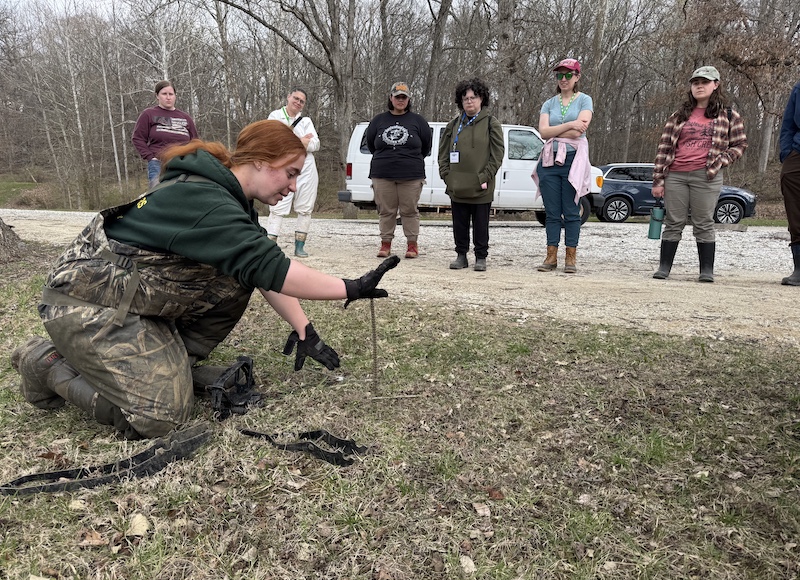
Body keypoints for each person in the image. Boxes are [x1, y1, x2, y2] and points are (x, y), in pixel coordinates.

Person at [10, 120, 399, 440]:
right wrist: (352, 287)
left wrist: (304, 329)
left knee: (234, 280)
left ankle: (167, 366)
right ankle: (47, 364)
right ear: (262, 161)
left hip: (130, 300)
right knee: (162, 418)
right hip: (85, 304)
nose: (293, 186)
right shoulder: (206, 200)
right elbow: (277, 270)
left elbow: (261, 271)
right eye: (291, 173)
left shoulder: (230, 201)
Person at [652, 66, 747, 282]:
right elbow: (664, 148)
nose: (700, 86)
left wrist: (722, 160)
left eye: (705, 82)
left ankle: (706, 271)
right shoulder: (678, 116)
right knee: (673, 221)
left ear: (716, 85)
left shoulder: (729, 115)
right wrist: (658, 180)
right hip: (675, 174)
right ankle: (664, 268)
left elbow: (740, 144)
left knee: (703, 221)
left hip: (707, 175)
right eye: (696, 82)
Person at [533, 58, 593, 274]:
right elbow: (543, 132)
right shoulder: (549, 103)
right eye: (560, 75)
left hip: (572, 161)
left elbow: (580, 131)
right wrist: (569, 124)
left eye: (569, 74)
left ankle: (570, 257)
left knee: (571, 211)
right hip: (549, 161)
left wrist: (556, 129)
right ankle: (550, 256)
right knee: (551, 212)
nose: (564, 79)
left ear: (577, 76)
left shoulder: (585, 100)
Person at [438, 78, 504, 271]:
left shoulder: (492, 124)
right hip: (457, 185)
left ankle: (481, 257)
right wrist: (446, 176)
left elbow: (497, 154)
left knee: (481, 224)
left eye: (473, 97)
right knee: (459, 223)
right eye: (465, 98)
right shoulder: (453, 125)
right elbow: (442, 154)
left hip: (481, 186)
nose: (469, 101)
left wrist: (484, 177)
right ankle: (461, 255)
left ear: (481, 98)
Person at [366, 82, 432, 259]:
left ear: (408, 99)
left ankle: (412, 245)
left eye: (404, 97)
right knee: (386, 210)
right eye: (397, 97)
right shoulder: (378, 120)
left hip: (411, 175)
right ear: (391, 98)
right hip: (382, 174)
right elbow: (372, 145)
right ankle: (385, 243)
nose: (400, 100)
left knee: (409, 210)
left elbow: (426, 146)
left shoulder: (418, 121)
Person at [266, 88, 320, 257]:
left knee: (305, 207)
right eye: (295, 98)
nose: (297, 102)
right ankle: (269, 246)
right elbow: (273, 140)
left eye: (301, 101)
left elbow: (315, 145)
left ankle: (299, 246)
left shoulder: (306, 121)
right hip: (283, 166)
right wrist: (301, 141)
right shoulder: (275, 116)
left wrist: (297, 142)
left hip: (307, 166)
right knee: (278, 206)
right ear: (288, 97)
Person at [132, 80, 198, 189]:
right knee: (158, 194)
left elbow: (195, 142)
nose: (168, 97)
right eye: (164, 94)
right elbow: (137, 138)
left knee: (183, 194)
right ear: (157, 95)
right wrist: (150, 157)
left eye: (171, 94)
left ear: (175, 96)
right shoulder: (148, 114)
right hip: (159, 163)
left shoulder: (185, 118)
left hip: (183, 163)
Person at [779, 79, 800, 286]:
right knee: (796, 210)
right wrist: (786, 153)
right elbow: (788, 124)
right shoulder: (799, 88)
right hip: (797, 152)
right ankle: (799, 268)